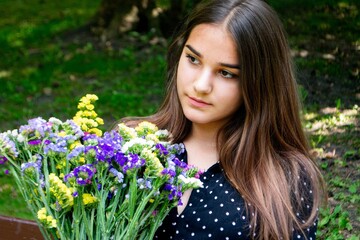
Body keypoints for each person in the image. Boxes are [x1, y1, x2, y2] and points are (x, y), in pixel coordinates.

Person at [121, 0, 326, 239]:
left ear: (260, 84)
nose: (201, 85)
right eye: (193, 59)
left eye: (226, 73)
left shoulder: (284, 179)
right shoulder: (131, 145)